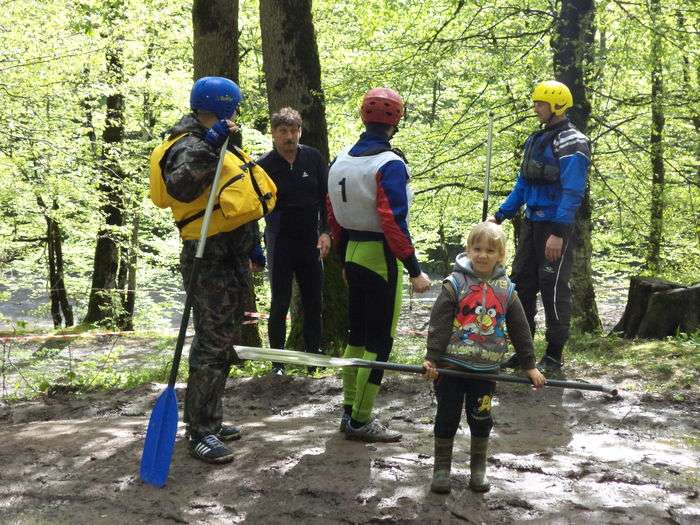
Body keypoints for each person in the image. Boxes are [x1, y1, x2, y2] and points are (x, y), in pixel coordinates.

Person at [151, 76, 267, 463]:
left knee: (224, 341)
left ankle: (211, 421)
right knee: (212, 343)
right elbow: (182, 187)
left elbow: (230, 195)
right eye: (234, 107)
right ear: (223, 106)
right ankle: (199, 432)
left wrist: (253, 243)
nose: (237, 114)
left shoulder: (214, 140)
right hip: (208, 258)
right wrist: (211, 142)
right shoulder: (189, 144)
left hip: (229, 255)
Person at [327, 87, 432, 442]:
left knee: (356, 336)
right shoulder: (389, 165)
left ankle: (349, 410)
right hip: (380, 258)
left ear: (363, 117)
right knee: (379, 341)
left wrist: (342, 258)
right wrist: (414, 268)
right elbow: (392, 221)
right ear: (396, 121)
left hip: (352, 254)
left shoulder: (339, 161)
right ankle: (361, 419)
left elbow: (333, 217)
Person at [422, 221, 546, 494]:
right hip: (451, 368)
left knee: (481, 418)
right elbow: (439, 323)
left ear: (501, 255)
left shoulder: (506, 289)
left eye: (490, 250)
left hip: (486, 370)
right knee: (447, 417)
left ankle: (478, 469)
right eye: (477, 249)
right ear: (468, 250)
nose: (482, 255)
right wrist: (432, 359)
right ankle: (441, 469)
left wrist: (529, 365)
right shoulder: (454, 284)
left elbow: (520, 329)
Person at [490, 80, 591, 374]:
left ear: (557, 106)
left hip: (554, 226)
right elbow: (522, 184)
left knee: (553, 289)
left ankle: (554, 356)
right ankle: (525, 354)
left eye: (540, 104)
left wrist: (558, 233)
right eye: (535, 103)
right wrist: (499, 215)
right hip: (532, 224)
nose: (535, 108)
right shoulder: (536, 140)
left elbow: (573, 191)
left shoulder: (574, 141)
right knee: (520, 286)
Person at [256, 107, 330, 375]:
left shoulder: (312, 158)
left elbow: (326, 198)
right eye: (283, 131)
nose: (289, 136)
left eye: (294, 130)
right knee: (280, 302)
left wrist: (326, 232)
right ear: (274, 133)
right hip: (280, 242)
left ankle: (313, 361)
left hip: (310, 242)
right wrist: (255, 249)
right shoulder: (264, 165)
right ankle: (278, 363)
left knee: (314, 302)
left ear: (300, 131)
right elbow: (253, 209)